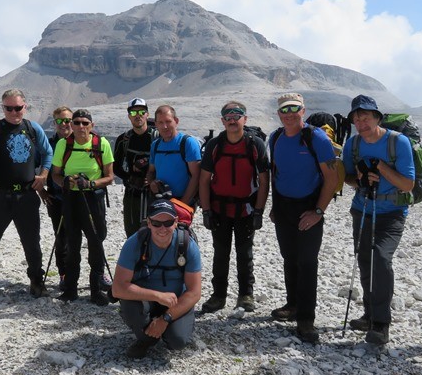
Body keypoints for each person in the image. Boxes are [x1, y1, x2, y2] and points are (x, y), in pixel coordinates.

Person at [0, 89, 53, 300]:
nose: (14, 112)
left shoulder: (33, 129)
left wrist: (43, 175)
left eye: (18, 107)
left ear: (25, 107)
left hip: (26, 195)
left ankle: (36, 280)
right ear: (3, 108)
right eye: (9, 108)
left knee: (32, 241)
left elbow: (48, 152)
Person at [341, 95, 414, 345]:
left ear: (377, 118)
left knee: (380, 259)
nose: (361, 122)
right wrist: (360, 179)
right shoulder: (353, 144)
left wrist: (380, 167)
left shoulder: (398, 142)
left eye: (366, 117)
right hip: (362, 209)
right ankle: (370, 315)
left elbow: (408, 183)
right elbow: (348, 177)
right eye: (356, 118)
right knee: (365, 260)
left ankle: (381, 323)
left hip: (391, 212)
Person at [267, 93, 338, 342]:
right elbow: (277, 174)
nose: (289, 114)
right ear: (279, 114)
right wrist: (275, 207)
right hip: (284, 206)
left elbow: (332, 178)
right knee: (289, 258)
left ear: (303, 111)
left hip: (309, 205)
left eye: (294, 108)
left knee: (308, 262)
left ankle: (307, 320)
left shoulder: (315, 137)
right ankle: (293, 305)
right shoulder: (275, 138)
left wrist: (318, 212)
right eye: (284, 110)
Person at [199, 101, 269, 314]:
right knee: (220, 253)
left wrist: (259, 211)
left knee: (244, 253)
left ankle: (245, 294)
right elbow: (204, 180)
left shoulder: (254, 144)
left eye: (236, 116)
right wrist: (206, 210)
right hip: (219, 209)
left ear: (244, 119)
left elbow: (264, 180)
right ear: (222, 121)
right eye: (227, 117)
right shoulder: (215, 145)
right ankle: (218, 295)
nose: (232, 120)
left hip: (246, 210)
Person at [112, 198, 202, 358]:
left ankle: (164, 328)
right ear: (148, 222)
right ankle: (146, 339)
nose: (162, 228)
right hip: (145, 300)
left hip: (175, 301)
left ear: (175, 222)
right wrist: (157, 296)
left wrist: (166, 318)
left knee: (178, 342)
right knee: (133, 311)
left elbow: (194, 292)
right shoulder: (135, 243)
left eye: (168, 223)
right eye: (156, 223)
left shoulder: (187, 245)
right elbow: (118, 288)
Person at [50, 109, 115, 305]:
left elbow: (110, 177)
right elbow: (55, 175)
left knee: (96, 242)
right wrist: (66, 182)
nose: (80, 127)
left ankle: (96, 290)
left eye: (85, 123)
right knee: (72, 243)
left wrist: (91, 184)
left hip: (93, 199)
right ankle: (71, 289)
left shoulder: (101, 143)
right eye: (76, 123)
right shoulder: (64, 144)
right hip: (71, 198)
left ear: (92, 126)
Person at [113, 98, 158, 237]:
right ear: (129, 116)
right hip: (132, 193)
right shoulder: (123, 140)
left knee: (154, 232)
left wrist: (152, 179)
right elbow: (116, 167)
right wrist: (130, 179)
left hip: (154, 193)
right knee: (132, 233)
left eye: (141, 112)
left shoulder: (157, 138)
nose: (137, 115)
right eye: (133, 112)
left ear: (147, 114)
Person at [41, 106, 73, 289]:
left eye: (68, 120)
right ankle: (64, 274)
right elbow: (34, 167)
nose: (65, 124)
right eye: (60, 121)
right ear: (54, 124)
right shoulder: (48, 145)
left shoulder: (80, 141)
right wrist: (42, 191)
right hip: (57, 198)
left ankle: (96, 275)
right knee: (62, 238)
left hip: (80, 197)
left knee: (90, 236)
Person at [146, 105, 201, 206]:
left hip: (183, 201)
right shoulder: (155, 145)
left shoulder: (188, 143)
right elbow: (151, 171)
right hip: (160, 200)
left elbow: (196, 176)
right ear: (156, 124)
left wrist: (182, 204)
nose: (164, 126)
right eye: (161, 122)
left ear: (176, 121)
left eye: (168, 121)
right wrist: (152, 182)